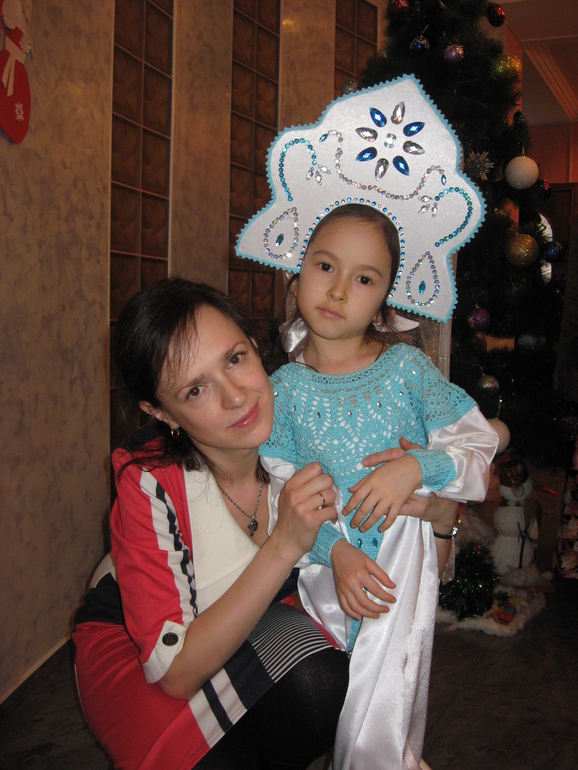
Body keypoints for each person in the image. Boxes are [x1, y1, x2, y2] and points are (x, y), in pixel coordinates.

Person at [235, 78, 499, 769]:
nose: (337, 290)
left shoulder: (407, 371)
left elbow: (477, 441)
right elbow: (279, 493)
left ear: (386, 297)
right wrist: (336, 553)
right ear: (297, 274)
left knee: (387, 704)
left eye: (364, 278)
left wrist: (418, 466)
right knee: (351, 706)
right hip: (330, 572)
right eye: (325, 266)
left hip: (404, 563)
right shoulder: (283, 390)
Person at [72, 278, 350, 770]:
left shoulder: (310, 421)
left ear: (255, 346)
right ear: (161, 412)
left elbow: (399, 578)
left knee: (321, 685)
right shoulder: (150, 478)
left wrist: (439, 517)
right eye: (196, 390)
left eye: (235, 359)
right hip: (143, 641)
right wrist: (284, 544)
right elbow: (174, 672)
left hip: (256, 614)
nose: (237, 398)